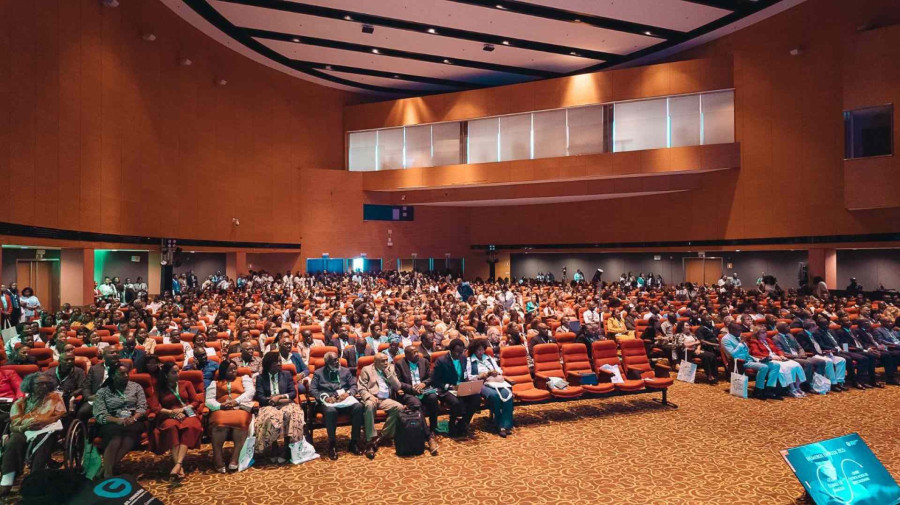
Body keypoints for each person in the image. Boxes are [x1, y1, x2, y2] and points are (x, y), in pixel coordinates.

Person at [0, 373, 66, 498]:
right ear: (30, 386)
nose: (44, 386)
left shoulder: (55, 398)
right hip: (25, 429)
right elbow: (14, 424)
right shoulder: (20, 402)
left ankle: (35, 479)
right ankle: (7, 480)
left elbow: (60, 415)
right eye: (40, 384)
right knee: (14, 440)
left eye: (47, 383)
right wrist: (24, 427)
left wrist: (44, 422)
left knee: (43, 442)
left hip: (47, 428)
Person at [93, 362, 148, 478]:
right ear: (113, 376)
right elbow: (100, 413)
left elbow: (142, 407)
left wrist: (134, 418)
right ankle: (108, 473)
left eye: (127, 373)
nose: (126, 376)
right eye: (121, 374)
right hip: (111, 420)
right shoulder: (103, 391)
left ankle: (106, 468)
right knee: (116, 438)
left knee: (129, 437)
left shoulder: (136, 387)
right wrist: (117, 420)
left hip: (133, 419)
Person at [150, 362, 203, 480]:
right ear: (165, 375)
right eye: (174, 372)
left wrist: (183, 409)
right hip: (168, 415)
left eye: (178, 371)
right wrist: (171, 413)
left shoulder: (186, 384)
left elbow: (195, 401)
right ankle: (179, 466)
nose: (178, 374)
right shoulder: (159, 388)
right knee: (171, 428)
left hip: (187, 413)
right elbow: (154, 407)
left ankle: (178, 464)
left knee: (190, 426)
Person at [310, 351, 364, 460]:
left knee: (358, 407)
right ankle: (332, 444)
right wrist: (325, 397)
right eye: (333, 361)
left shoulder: (345, 371)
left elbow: (354, 386)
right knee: (331, 411)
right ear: (326, 363)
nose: (336, 362)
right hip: (329, 402)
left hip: (344, 400)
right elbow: (313, 390)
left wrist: (348, 393)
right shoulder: (318, 373)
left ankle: (354, 442)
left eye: (337, 359)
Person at [254, 352, 305, 464]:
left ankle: (287, 447)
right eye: (276, 362)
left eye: (280, 361)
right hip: (268, 404)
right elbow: (260, 396)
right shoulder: (261, 378)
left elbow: (292, 393)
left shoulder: (286, 375)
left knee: (291, 414)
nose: (279, 364)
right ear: (268, 364)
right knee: (271, 416)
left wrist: (280, 397)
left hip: (285, 403)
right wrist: (271, 400)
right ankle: (274, 446)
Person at [206, 360, 254, 473]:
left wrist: (235, 401)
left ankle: (235, 458)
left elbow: (250, 392)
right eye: (230, 369)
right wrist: (220, 406)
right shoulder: (215, 383)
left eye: (234, 368)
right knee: (219, 424)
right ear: (223, 371)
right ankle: (218, 457)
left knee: (241, 422)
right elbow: (208, 400)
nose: (234, 371)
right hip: (221, 410)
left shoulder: (243, 378)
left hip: (239, 408)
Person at [357, 353, 404, 459]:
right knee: (369, 405)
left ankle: (381, 437)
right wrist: (369, 397)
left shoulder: (390, 368)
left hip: (385, 399)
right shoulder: (367, 369)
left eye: (387, 360)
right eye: (383, 361)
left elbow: (398, 386)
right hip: (372, 397)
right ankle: (370, 441)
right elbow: (361, 388)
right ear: (375, 362)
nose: (386, 363)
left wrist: (388, 373)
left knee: (399, 407)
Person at [394, 345, 439, 455]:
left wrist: (423, 384)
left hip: (423, 389)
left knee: (433, 398)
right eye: (413, 353)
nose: (416, 354)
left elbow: (431, 377)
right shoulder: (399, 364)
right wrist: (412, 389)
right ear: (406, 355)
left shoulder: (424, 361)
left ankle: (433, 429)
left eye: (416, 352)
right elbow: (398, 382)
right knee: (416, 403)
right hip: (408, 392)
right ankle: (428, 437)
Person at [431, 338, 480, 437]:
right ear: (451, 350)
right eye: (457, 352)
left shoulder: (463, 358)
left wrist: (468, 384)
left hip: (461, 387)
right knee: (456, 402)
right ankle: (452, 425)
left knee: (476, 398)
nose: (459, 354)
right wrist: (449, 386)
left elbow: (464, 374)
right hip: (445, 389)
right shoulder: (441, 361)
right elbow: (435, 380)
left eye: (461, 352)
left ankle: (463, 423)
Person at [465, 339, 514, 437]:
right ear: (474, 350)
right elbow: (468, 377)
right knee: (494, 396)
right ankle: (499, 424)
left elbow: (499, 370)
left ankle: (505, 424)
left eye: (482, 350)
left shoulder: (489, 358)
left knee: (508, 394)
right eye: (478, 350)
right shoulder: (469, 360)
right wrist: (481, 375)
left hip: (495, 382)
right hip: (481, 383)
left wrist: (495, 372)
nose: (481, 352)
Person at [721, 323, 781, 400]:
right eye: (739, 330)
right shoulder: (725, 339)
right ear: (732, 330)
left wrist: (758, 359)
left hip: (749, 359)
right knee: (764, 367)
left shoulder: (738, 337)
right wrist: (741, 343)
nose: (740, 332)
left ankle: (769, 389)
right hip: (740, 362)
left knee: (776, 365)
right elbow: (733, 354)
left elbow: (747, 353)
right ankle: (758, 390)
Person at [747, 326, 807, 398]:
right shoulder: (754, 342)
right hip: (767, 359)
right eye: (762, 333)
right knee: (785, 367)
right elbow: (756, 354)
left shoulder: (768, 340)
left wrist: (781, 355)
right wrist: (772, 357)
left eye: (765, 332)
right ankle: (791, 388)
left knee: (795, 364)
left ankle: (797, 387)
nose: (765, 334)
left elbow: (778, 349)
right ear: (757, 334)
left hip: (778, 358)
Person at [795, 320, 847, 392]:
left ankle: (839, 382)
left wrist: (825, 351)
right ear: (810, 327)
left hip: (821, 353)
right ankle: (833, 384)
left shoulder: (814, 334)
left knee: (841, 360)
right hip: (812, 355)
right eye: (815, 326)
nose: (817, 327)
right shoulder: (801, 335)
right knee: (828, 361)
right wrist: (820, 352)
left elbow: (820, 345)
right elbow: (806, 347)